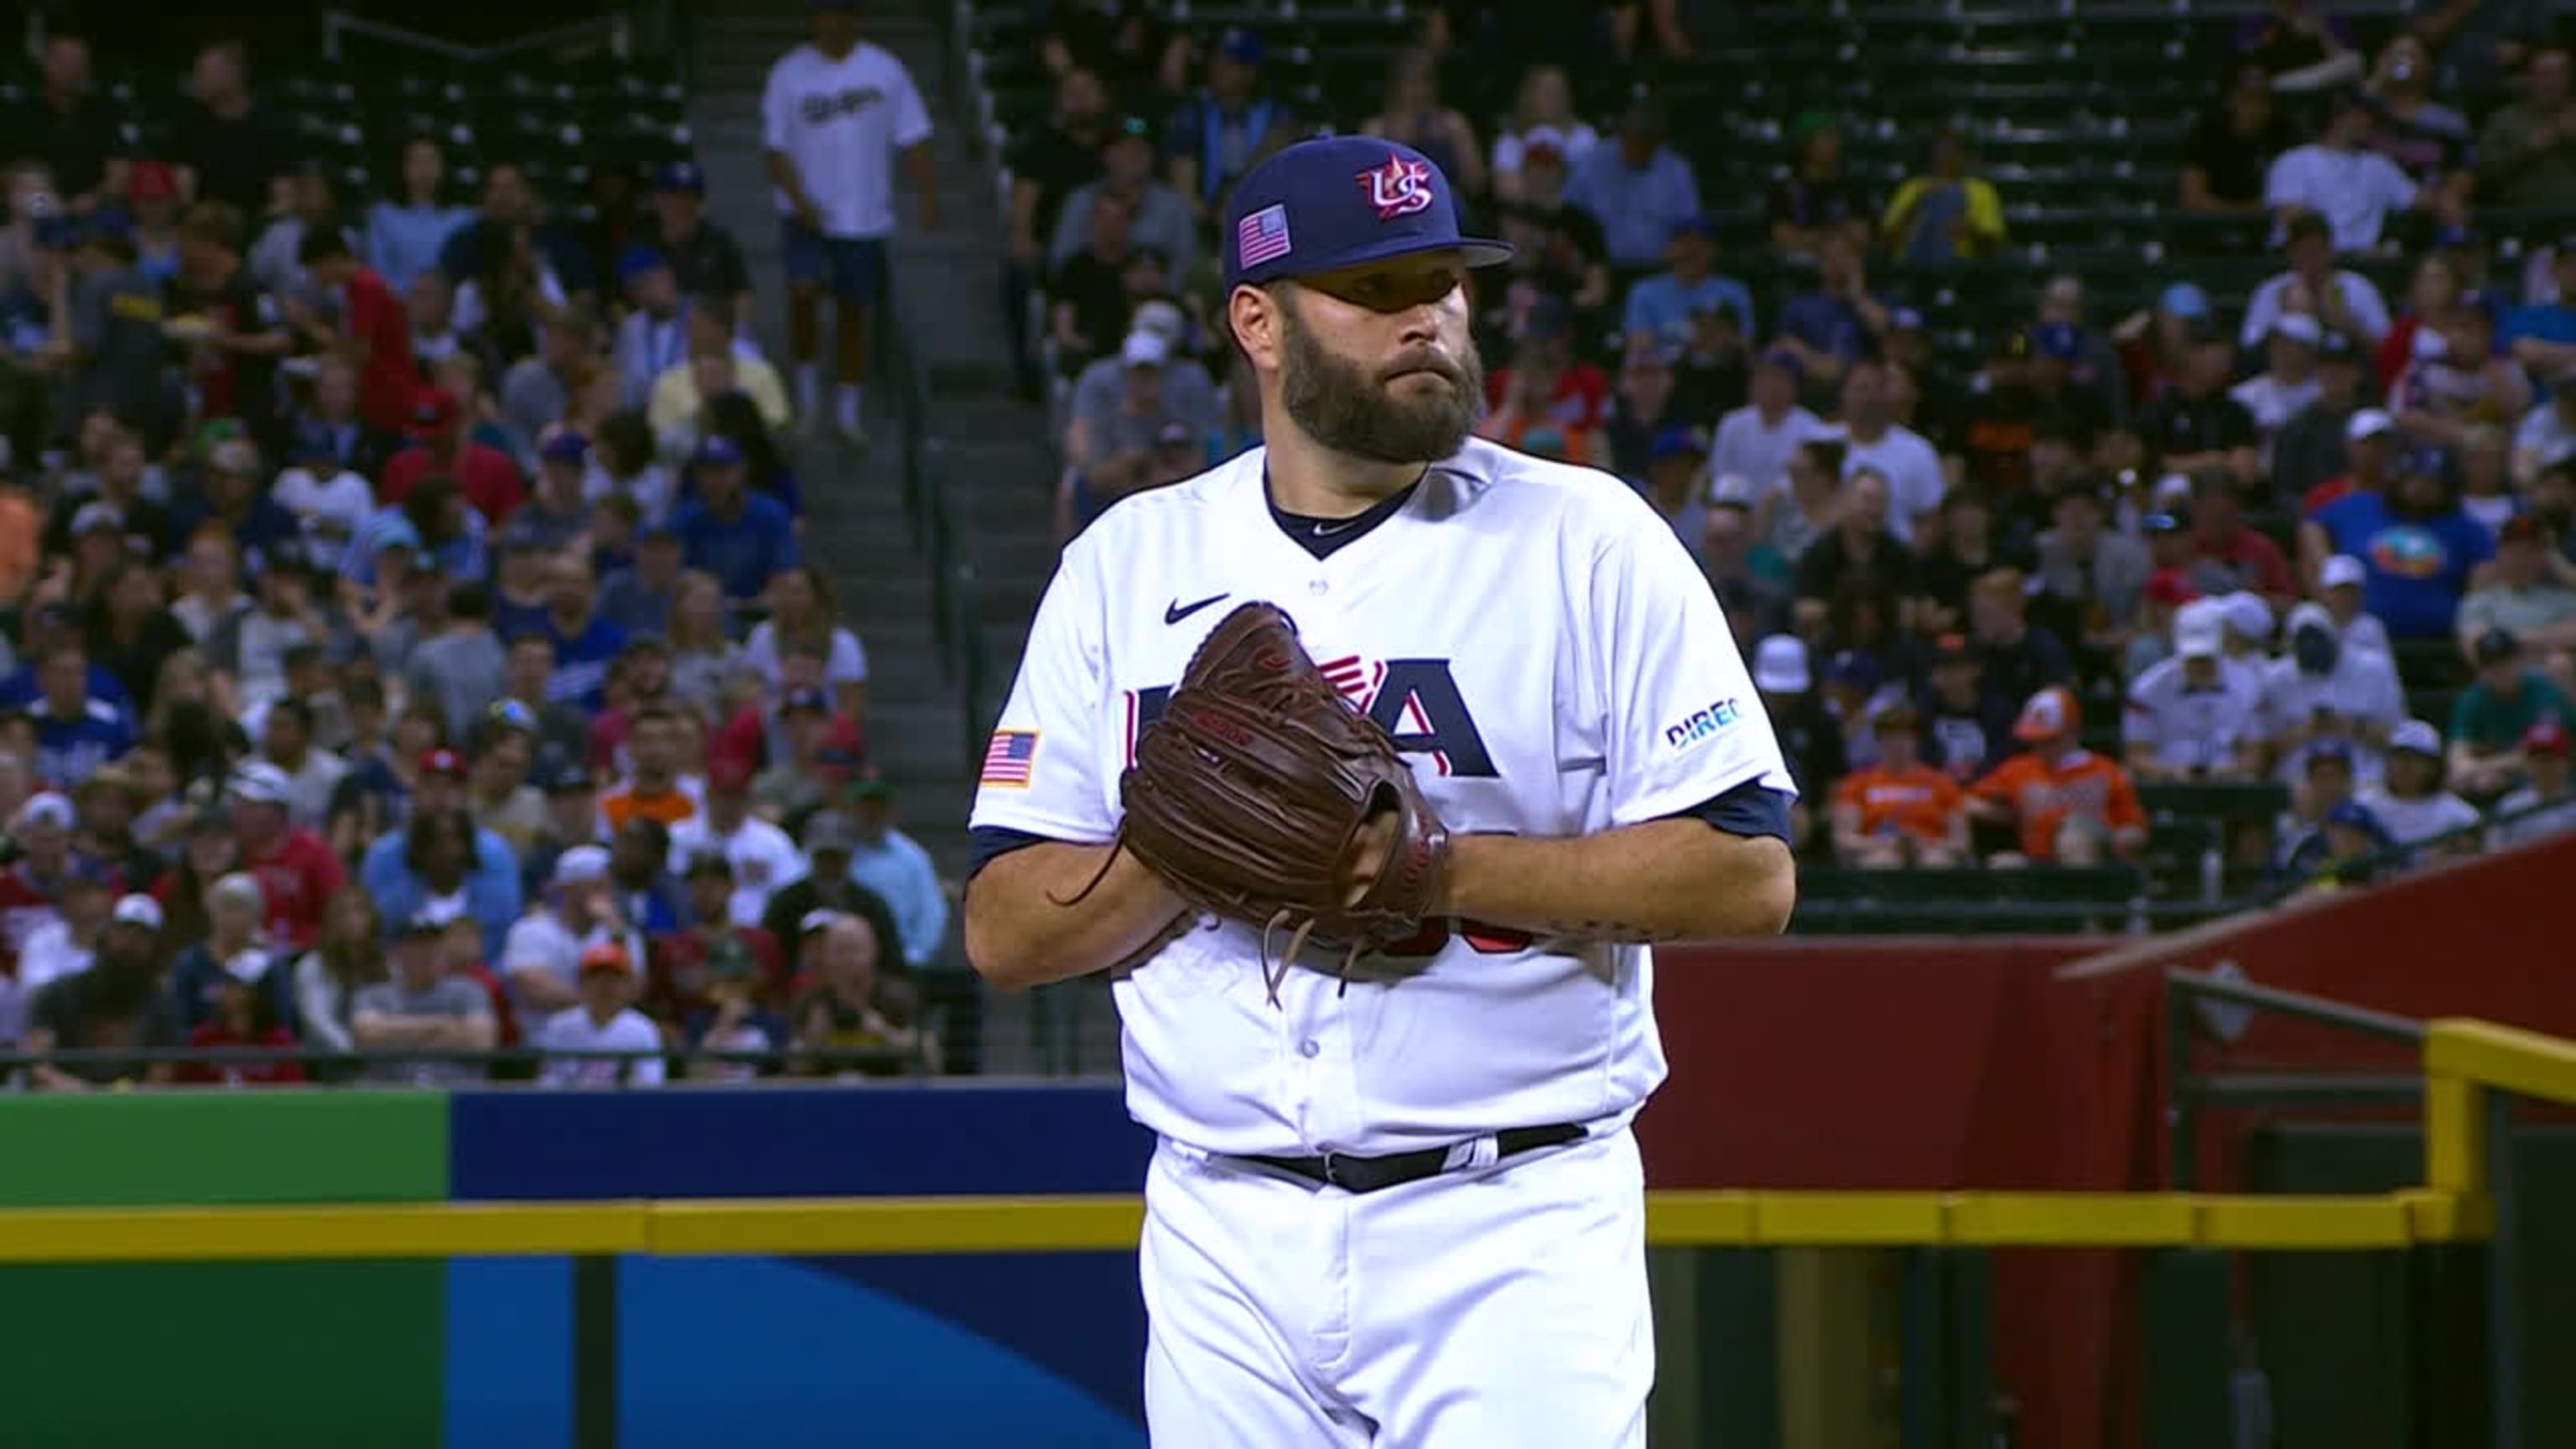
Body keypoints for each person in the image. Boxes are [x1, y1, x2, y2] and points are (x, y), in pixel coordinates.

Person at [963, 137, 1794, 1444]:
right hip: (1220, 1228)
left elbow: (1747, 872)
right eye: (1377, 288)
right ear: (1260, 321)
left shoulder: (1589, 538)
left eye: (1447, 285)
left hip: (1511, 1220)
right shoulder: (1128, 563)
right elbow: (1009, 931)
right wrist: (1200, 833)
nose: (1429, 318)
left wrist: (1430, 871)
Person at [762, 0, 939, 445]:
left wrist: (928, 195)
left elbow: (913, 135)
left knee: (853, 312)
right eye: (822, 13)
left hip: (864, 216)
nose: (831, 22)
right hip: (806, 215)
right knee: (802, 295)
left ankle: (848, 411)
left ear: (855, 18)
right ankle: (806, 397)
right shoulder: (789, 74)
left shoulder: (885, 70)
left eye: (840, 13)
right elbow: (775, 148)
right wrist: (799, 200)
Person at [1967, 686, 2149, 865]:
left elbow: (2136, 830)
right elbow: (1967, 802)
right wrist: (2004, 813)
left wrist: (2118, 838)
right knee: (2004, 864)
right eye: (2035, 741)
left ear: (2073, 732)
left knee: (2074, 839)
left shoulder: (2106, 771)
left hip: (2094, 860)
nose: (2041, 749)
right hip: (2038, 862)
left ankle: (2081, 893)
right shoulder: (2019, 769)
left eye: (2049, 741)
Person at [352, 907, 496, 1085]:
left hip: (455, 1099)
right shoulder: (373, 995)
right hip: (390, 1098)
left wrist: (392, 1032)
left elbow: (479, 1041)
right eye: (418, 945)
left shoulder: (468, 991)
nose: (429, 951)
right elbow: (365, 1038)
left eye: (434, 943)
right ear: (397, 951)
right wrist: (443, 1026)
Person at [1829, 706, 1966, 866]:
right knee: (1884, 861)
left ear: (1917, 741)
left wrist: (1925, 844)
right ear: (1879, 741)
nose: (1898, 744)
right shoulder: (1857, 784)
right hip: (1878, 851)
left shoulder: (1942, 783)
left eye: (1905, 738)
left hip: (1930, 851)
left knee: (1936, 862)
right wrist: (1889, 843)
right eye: (1891, 738)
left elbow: (1962, 842)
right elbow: (1844, 839)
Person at [533, 941, 666, 1088]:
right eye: (596, 977)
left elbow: (649, 1085)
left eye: (613, 978)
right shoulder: (559, 1026)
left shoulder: (642, 1029)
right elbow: (549, 1082)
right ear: (582, 983)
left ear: (628, 984)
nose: (605, 985)